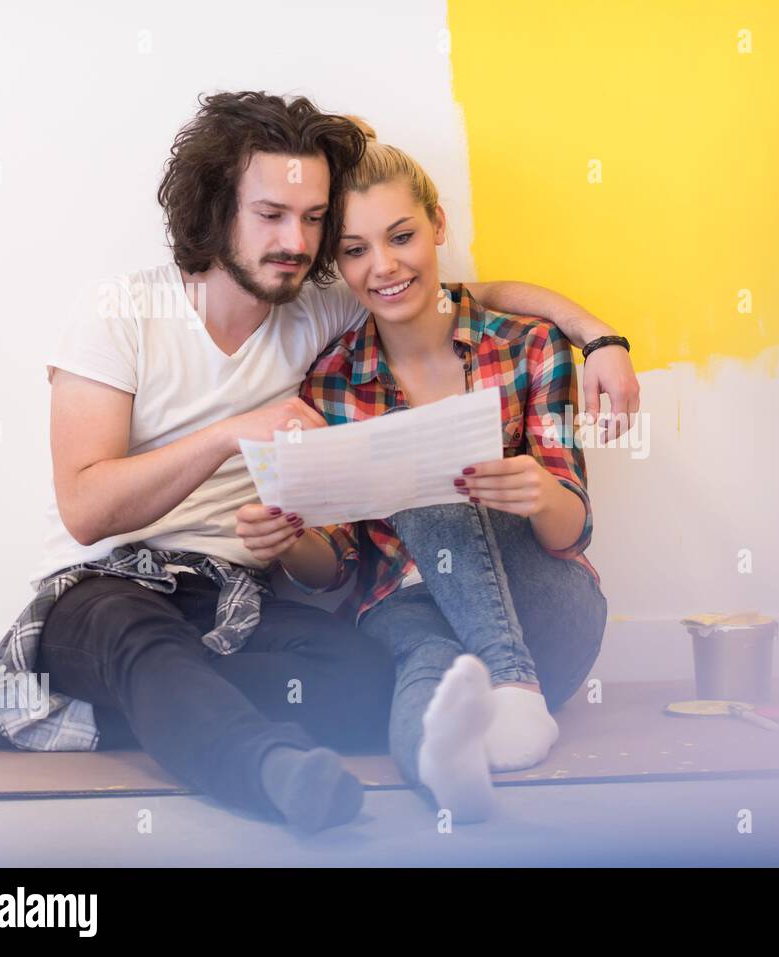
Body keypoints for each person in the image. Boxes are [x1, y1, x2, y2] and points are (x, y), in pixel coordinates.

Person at [0, 92, 636, 832]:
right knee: (137, 641)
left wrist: (597, 336)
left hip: (235, 599)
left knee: (373, 678)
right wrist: (230, 434)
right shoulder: (119, 313)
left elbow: (455, 293)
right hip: (109, 585)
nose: (296, 242)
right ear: (218, 211)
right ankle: (270, 770)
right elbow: (85, 510)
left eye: (313, 221)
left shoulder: (317, 310)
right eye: (271, 215)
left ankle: (55, 707)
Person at [236, 120, 609, 823]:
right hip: (406, 610)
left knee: (427, 463)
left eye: (401, 236)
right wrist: (288, 538)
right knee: (425, 675)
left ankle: (513, 684)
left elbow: (574, 530)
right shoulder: (334, 379)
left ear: (437, 225)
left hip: (543, 610)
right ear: (338, 265)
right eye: (354, 250)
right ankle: (445, 771)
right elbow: (336, 567)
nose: (383, 267)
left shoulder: (531, 348)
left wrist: (537, 491)